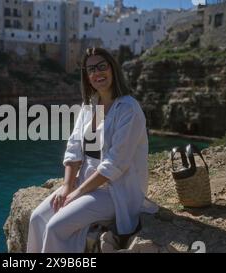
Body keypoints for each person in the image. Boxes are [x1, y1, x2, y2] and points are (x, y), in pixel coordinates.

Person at [26, 47, 157, 253]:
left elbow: (115, 164)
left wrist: (77, 193)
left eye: (101, 66)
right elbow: (74, 148)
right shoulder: (89, 106)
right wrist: (68, 186)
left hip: (114, 192)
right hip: (84, 184)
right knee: (37, 218)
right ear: (87, 77)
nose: (97, 73)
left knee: (55, 227)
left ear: (112, 69)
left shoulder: (128, 109)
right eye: (91, 69)